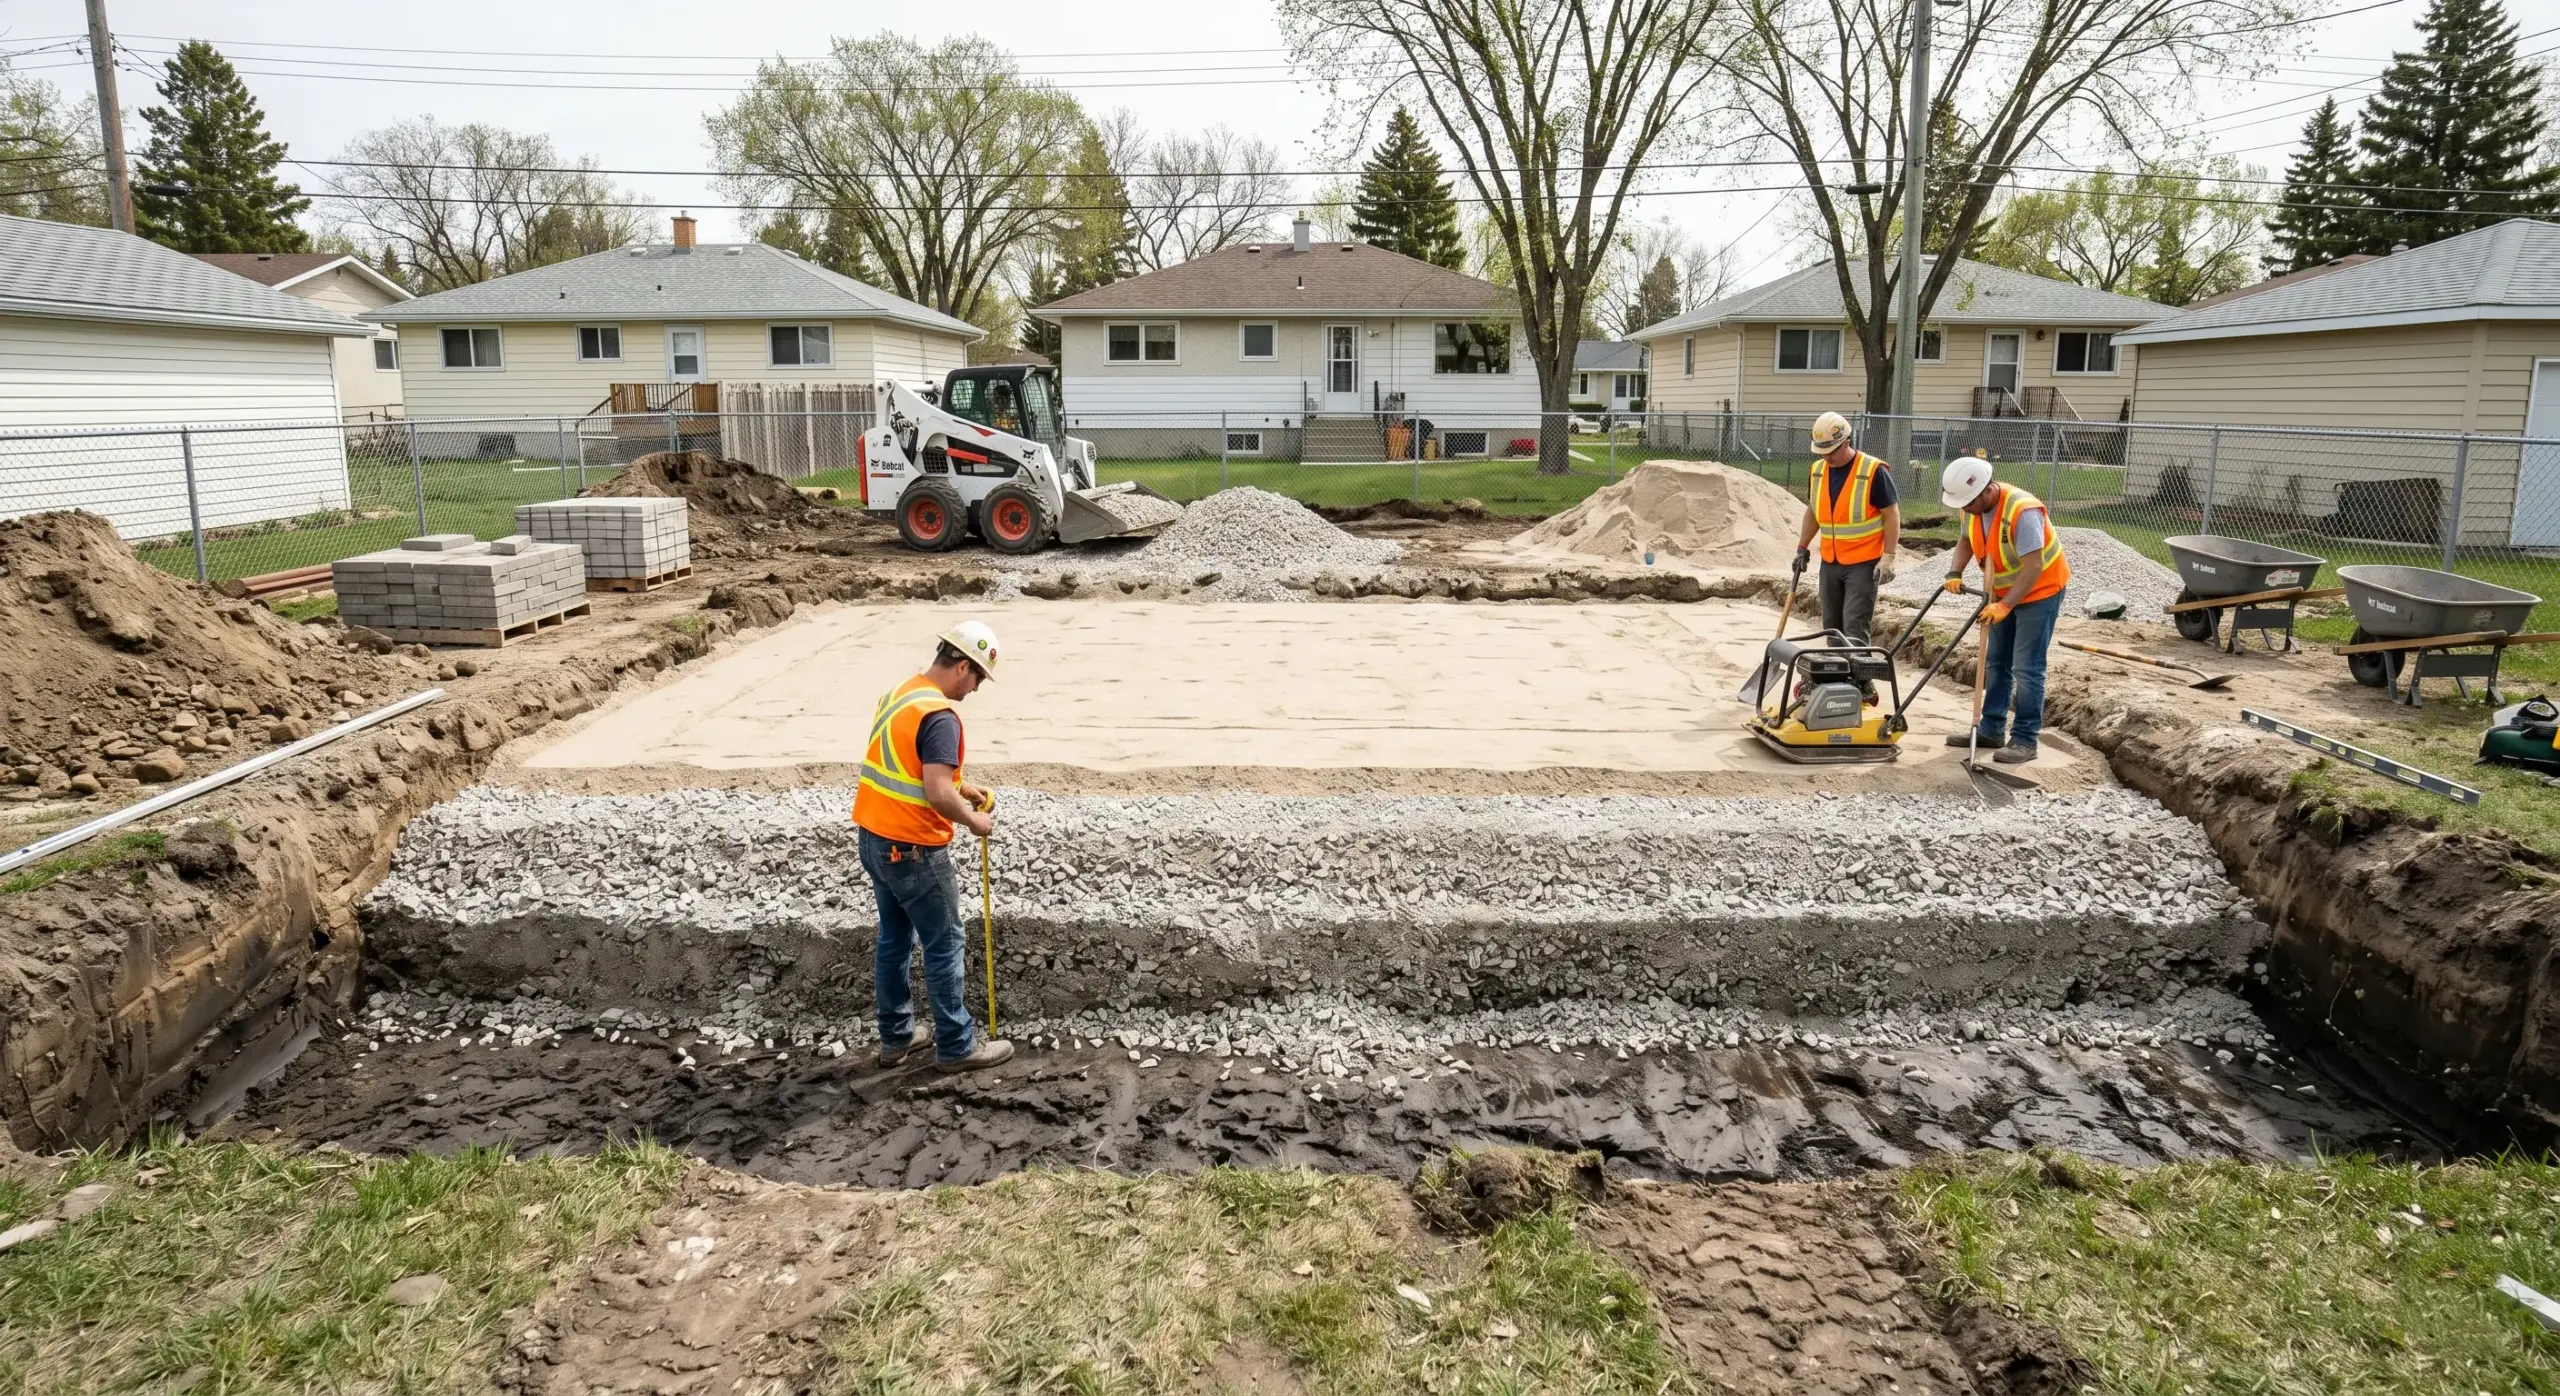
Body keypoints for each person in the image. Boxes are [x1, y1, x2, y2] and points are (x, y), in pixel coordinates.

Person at [852, 620, 1014, 1073]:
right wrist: (974, 821)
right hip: (914, 849)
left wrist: (964, 788)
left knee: (894, 939)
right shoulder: (941, 717)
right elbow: (936, 792)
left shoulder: (901, 694)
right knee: (945, 942)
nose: (975, 689)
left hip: (874, 838)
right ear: (962, 666)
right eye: (978, 677)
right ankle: (957, 1046)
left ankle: (896, 1038)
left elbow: (909, 768)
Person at [1938, 458, 2071, 764]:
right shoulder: (1969, 505)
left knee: (2027, 666)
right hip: (2000, 593)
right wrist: (1954, 572)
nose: (1965, 508)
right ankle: (1991, 729)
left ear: (1987, 490)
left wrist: (2006, 605)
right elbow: (1966, 539)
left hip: (2040, 592)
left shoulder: (2023, 512)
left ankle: (2025, 738)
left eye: (1969, 503)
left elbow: (2034, 566)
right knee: (1996, 661)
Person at [1793, 411, 1901, 646]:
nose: (1827, 457)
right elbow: (1813, 511)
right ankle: (1835, 667)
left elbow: (1891, 514)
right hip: (1830, 562)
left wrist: (1889, 557)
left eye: (1831, 451)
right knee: (1831, 627)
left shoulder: (1873, 471)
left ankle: (1858, 670)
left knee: (1854, 626)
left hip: (1863, 563)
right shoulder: (1817, 470)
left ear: (1846, 442)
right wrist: (1802, 547)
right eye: (1822, 452)